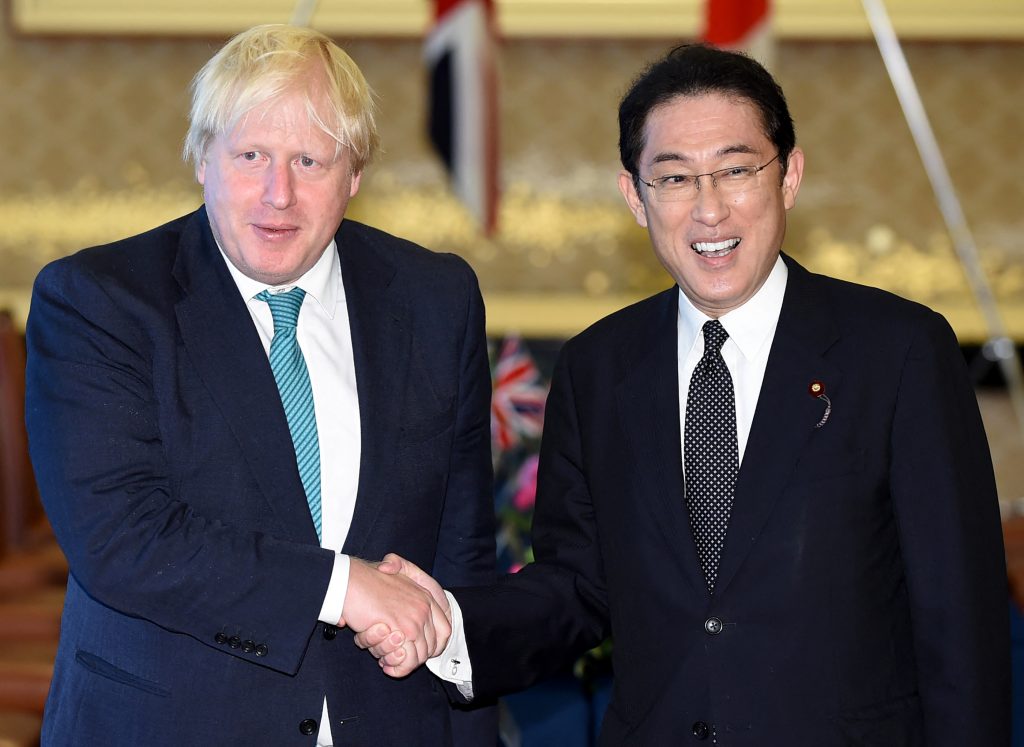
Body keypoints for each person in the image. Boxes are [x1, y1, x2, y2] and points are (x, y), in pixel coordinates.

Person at [362, 43, 1011, 744]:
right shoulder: (598, 369)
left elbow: (961, 622)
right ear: (634, 197)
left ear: (789, 175)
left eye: (735, 170)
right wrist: (451, 625)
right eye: (674, 178)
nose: (709, 209)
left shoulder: (899, 351)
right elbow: (577, 587)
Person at [25, 24, 496, 746]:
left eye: (311, 159)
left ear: (356, 175)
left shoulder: (437, 300)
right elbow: (123, 539)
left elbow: (461, 554)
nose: (280, 194)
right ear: (203, 159)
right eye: (252, 156)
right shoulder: (99, 301)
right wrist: (345, 586)